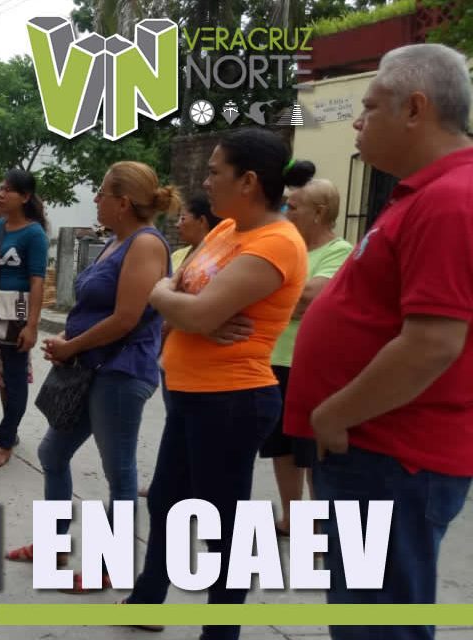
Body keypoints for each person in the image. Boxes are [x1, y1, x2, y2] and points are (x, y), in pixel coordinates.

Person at [285, 44, 473, 640]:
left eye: (369, 107)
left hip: (392, 453)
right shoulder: (425, 195)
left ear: (415, 109)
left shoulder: (450, 201)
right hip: (379, 450)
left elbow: (433, 344)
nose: (358, 122)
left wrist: (335, 414)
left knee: (379, 622)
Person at [124, 128, 308, 640]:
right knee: (165, 499)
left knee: (220, 525)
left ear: (249, 181)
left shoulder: (276, 243)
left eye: (214, 171)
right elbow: (183, 296)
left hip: (231, 399)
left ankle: (220, 630)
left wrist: (175, 301)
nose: (203, 180)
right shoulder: (228, 229)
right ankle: (148, 597)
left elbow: (190, 302)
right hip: (189, 391)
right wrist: (182, 306)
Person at [10, 163, 175, 580]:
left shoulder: (145, 244)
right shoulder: (116, 242)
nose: (96, 200)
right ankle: (54, 547)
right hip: (91, 366)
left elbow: (126, 317)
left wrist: (72, 345)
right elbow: (94, 308)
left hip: (120, 371)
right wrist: (68, 339)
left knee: (119, 471)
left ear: (122, 202)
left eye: (101, 193)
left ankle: (112, 565)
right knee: (52, 452)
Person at [261, 173, 352, 535]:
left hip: (310, 366)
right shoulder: (289, 247)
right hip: (273, 361)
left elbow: (310, 300)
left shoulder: (340, 252)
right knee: (280, 446)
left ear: (319, 212)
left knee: (312, 451)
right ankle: (291, 517)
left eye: (293, 206)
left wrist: (269, 293)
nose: (285, 211)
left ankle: (320, 524)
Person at [0, 169, 48, 469]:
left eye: (8, 190)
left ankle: (5, 440)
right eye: (1, 188)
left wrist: (32, 325)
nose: (1, 194)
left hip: (15, 311)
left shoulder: (34, 233)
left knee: (13, 380)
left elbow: (37, 281)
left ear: (25, 197)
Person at [170, 193, 221, 271]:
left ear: (201, 221)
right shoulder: (177, 255)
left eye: (183, 218)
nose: (177, 225)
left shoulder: (219, 258)